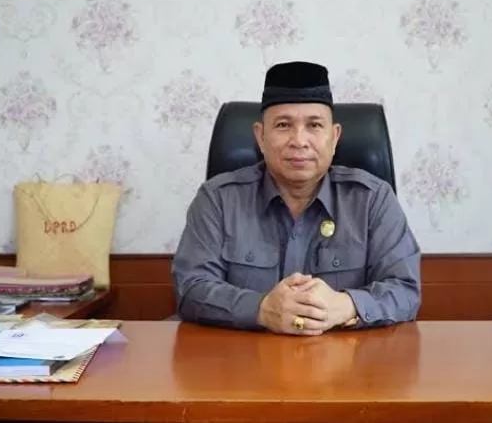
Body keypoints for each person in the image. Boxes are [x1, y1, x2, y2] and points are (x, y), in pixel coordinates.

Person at [171, 61, 421, 336]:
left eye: (314, 125)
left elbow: (405, 290)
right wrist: (261, 309)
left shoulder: (373, 200)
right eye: (283, 125)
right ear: (260, 136)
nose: (299, 141)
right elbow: (191, 287)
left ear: (334, 136)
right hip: (243, 359)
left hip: (346, 359)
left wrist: (346, 305)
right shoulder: (218, 200)